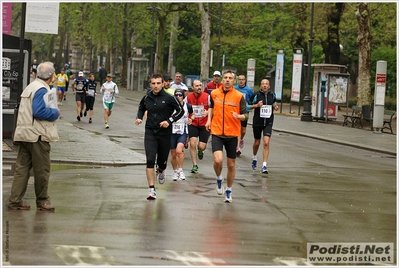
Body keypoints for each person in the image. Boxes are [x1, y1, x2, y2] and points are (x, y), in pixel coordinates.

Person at [7, 61, 60, 211]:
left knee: (22, 169)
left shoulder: (30, 86)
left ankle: (15, 201)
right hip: (38, 135)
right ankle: (43, 201)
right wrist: (56, 113)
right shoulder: (42, 90)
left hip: (24, 134)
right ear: (50, 76)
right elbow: (39, 112)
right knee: (42, 170)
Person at [135, 74, 184, 200]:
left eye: (158, 83)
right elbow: (141, 108)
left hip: (165, 133)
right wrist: (139, 117)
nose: (156, 86)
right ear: (150, 84)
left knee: (162, 161)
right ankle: (151, 189)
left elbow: (180, 111)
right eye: (153, 83)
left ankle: (161, 169)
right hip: (150, 132)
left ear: (162, 84)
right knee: (150, 159)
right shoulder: (147, 97)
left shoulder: (169, 98)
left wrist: (169, 120)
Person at [205, 70, 248, 203]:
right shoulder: (214, 93)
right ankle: (219, 178)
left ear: (234, 81)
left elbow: (246, 115)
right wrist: (208, 120)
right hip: (217, 131)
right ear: (222, 80)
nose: (227, 80)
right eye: (225, 78)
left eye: (230, 78)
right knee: (218, 161)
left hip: (232, 133)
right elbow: (211, 107)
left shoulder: (239, 96)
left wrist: (239, 116)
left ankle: (228, 189)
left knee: (230, 165)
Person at [249, 78, 279, 174]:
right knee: (257, 142)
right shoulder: (256, 95)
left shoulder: (272, 95)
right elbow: (249, 106)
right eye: (263, 84)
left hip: (268, 122)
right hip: (258, 121)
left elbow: (274, 102)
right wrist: (257, 105)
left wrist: (275, 106)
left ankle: (264, 165)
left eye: (266, 84)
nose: (265, 85)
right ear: (261, 86)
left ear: (269, 86)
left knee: (266, 143)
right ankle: (254, 157)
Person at [170, 88, 195, 181]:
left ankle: (180, 170)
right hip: (172, 132)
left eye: (180, 95)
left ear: (183, 96)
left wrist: (191, 119)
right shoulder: (170, 106)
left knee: (179, 151)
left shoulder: (187, 106)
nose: (178, 96)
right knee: (173, 154)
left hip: (182, 132)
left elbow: (192, 114)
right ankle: (175, 171)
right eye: (176, 95)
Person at [186, 79, 210, 174]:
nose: (199, 87)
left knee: (202, 146)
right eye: (197, 86)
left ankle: (201, 150)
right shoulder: (188, 97)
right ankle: (194, 165)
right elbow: (183, 107)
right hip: (193, 123)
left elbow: (214, 108)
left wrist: (208, 112)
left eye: (200, 85)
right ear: (192, 87)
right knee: (192, 143)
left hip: (204, 124)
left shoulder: (207, 97)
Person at [234, 74, 254, 156]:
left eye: (243, 79)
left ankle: (241, 139)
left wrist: (249, 105)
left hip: (244, 112)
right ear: (238, 80)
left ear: (245, 80)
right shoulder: (234, 89)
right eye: (240, 79)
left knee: (243, 130)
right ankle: (237, 147)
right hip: (236, 111)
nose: (241, 81)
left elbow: (252, 100)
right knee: (238, 130)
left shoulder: (249, 90)